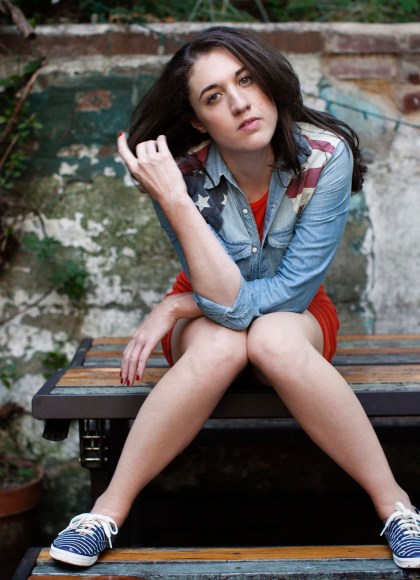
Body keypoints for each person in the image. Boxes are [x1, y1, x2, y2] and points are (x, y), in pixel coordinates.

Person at [49, 26, 420, 569]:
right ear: (199, 120)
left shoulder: (325, 156)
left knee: (271, 337)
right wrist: (176, 201)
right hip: (208, 322)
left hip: (294, 313)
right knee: (224, 343)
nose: (241, 103)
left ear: (266, 79)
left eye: (246, 80)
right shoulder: (178, 174)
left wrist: (178, 305)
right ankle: (105, 514)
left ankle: (397, 507)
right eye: (214, 96)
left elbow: (293, 289)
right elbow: (222, 304)